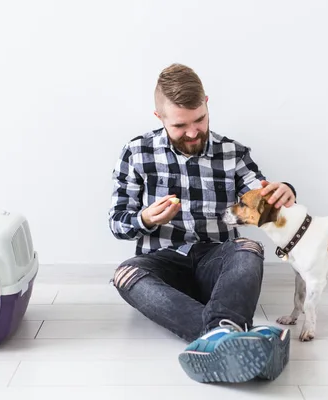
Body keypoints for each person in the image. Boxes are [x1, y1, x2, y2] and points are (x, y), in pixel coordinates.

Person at [108, 63, 296, 383]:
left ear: (207, 103)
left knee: (248, 246)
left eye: (200, 119)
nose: (193, 132)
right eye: (181, 125)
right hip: (165, 263)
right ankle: (228, 334)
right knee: (125, 274)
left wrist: (284, 193)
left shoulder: (233, 152)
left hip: (217, 260)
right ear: (160, 118)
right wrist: (145, 219)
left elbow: (263, 206)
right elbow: (117, 222)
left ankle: (218, 338)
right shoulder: (136, 152)